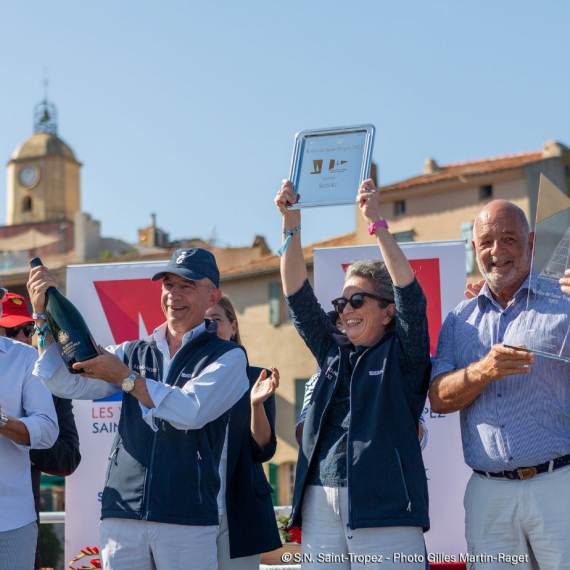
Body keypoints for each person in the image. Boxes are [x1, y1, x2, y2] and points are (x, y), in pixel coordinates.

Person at [30, 248, 249, 570]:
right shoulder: (132, 351)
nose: (174, 295)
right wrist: (42, 318)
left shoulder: (228, 356)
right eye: (168, 285)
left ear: (212, 295)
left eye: (186, 286)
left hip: (187, 517)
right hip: (122, 515)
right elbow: (64, 382)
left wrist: (127, 379)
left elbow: (191, 411)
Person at [275, 178, 431, 569]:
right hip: (318, 501)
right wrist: (291, 225)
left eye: (358, 299)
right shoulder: (332, 348)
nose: (346, 309)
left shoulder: (404, 353)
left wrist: (376, 222)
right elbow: (296, 295)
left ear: (387, 310)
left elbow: (411, 296)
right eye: (342, 301)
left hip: (386, 506)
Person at [429, 200, 570, 569]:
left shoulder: (566, 302)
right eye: (486, 241)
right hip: (488, 494)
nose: (497, 251)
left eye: (508, 238)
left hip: (560, 484)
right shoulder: (459, 319)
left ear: (532, 242)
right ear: (474, 248)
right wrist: (482, 372)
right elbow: (438, 399)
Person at [0, 292, 81, 570]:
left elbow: (66, 455)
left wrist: (10, 427)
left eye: (28, 329)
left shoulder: (33, 366)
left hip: (14, 517)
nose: (23, 337)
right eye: (13, 330)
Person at [205, 295, 282, 569]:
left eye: (215, 320)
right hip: (193, 508)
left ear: (233, 326)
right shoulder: (182, 380)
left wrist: (255, 404)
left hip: (242, 509)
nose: (209, 327)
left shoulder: (256, 378)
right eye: (202, 322)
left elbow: (263, 449)